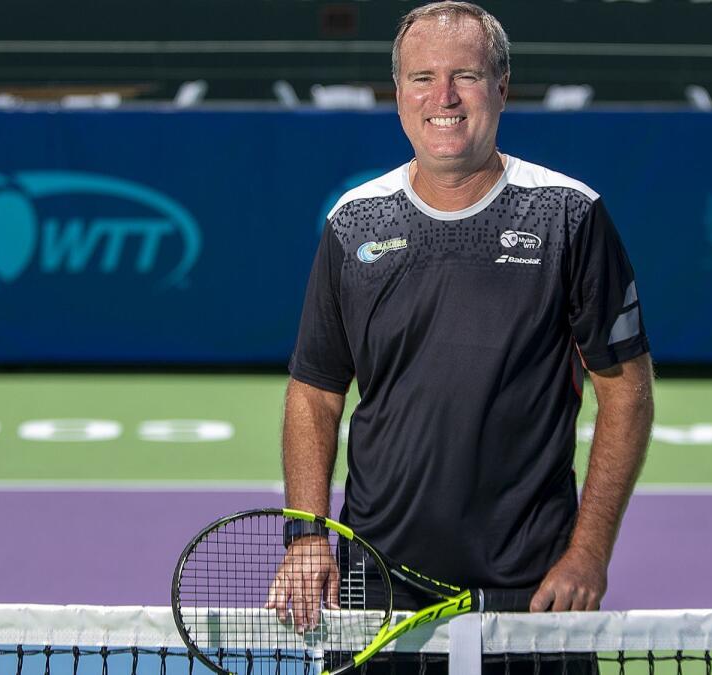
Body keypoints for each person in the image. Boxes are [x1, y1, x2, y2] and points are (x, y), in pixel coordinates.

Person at [267, 0, 654, 630]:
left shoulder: (569, 215)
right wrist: (307, 536)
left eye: (465, 77)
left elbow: (627, 393)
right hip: (376, 583)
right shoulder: (353, 221)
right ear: (398, 94)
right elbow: (315, 394)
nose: (443, 96)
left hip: (529, 591)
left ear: (501, 89)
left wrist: (588, 554)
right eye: (422, 78)